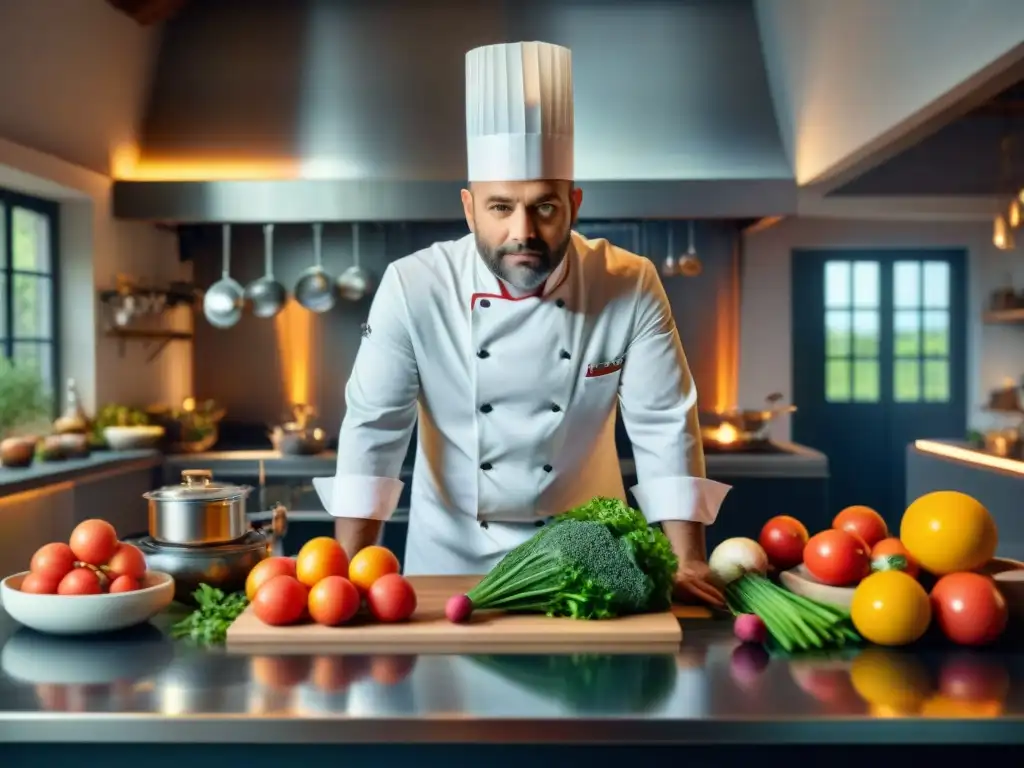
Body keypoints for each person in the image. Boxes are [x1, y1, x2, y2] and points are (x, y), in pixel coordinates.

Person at [313, 40, 731, 607]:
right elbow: (375, 430)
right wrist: (352, 580)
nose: (523, 232)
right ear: (468, 208)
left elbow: (663, 423)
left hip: (596, 562)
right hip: (449, 567)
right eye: (501, 207)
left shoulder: (629, 282)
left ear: (574, 203)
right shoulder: (414, 286)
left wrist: (687, 560)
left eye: (545, 207)